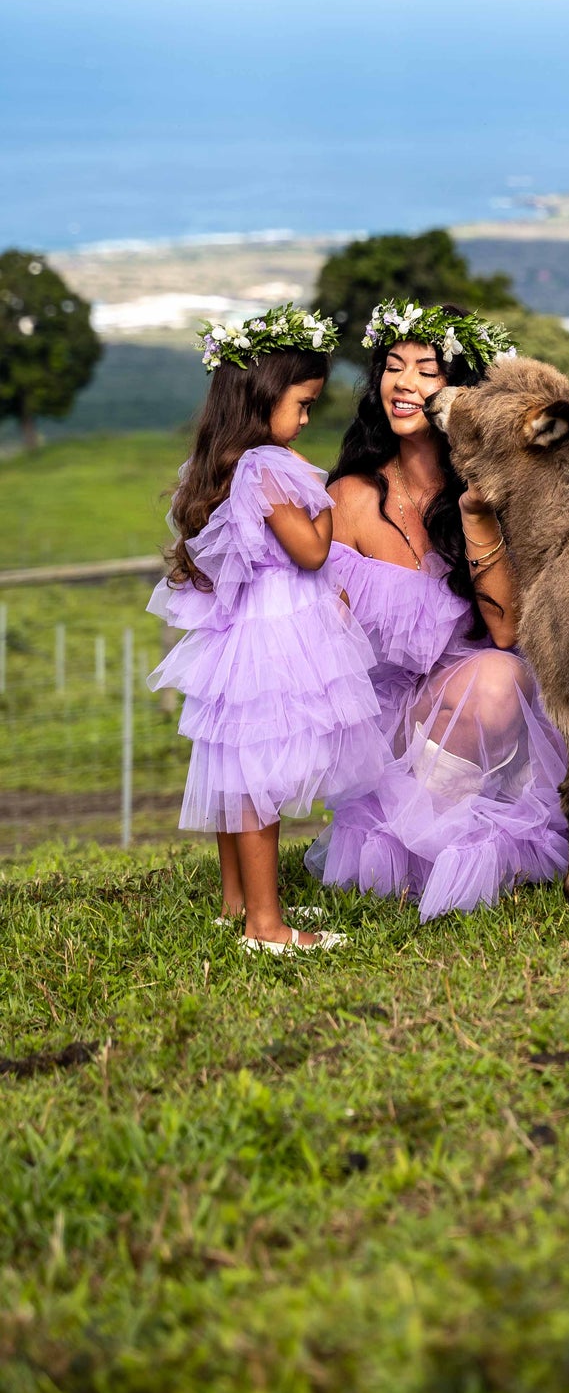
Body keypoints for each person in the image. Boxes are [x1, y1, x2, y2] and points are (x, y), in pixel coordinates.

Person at [305, 300, 569, 919]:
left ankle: (530, 821)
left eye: (428, 370)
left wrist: (477, 517)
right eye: (393, 367)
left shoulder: (503, 485)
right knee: (500, 680)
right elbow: (327, 630)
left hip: (496, 682)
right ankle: (424, 843)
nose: (406, 384)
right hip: (406, 711)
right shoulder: (350, 496)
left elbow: (506, 629)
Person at [149, 304, 392, 954]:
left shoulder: (217, 462)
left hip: (242, 636)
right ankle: (267, 926)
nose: (307, 419)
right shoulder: (266, 465)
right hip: (278, 637)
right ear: (263, 399)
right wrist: (331, 509)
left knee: (236, 773)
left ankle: (239, 903)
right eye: (303, 405)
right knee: (261, 781)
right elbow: (310, 552)